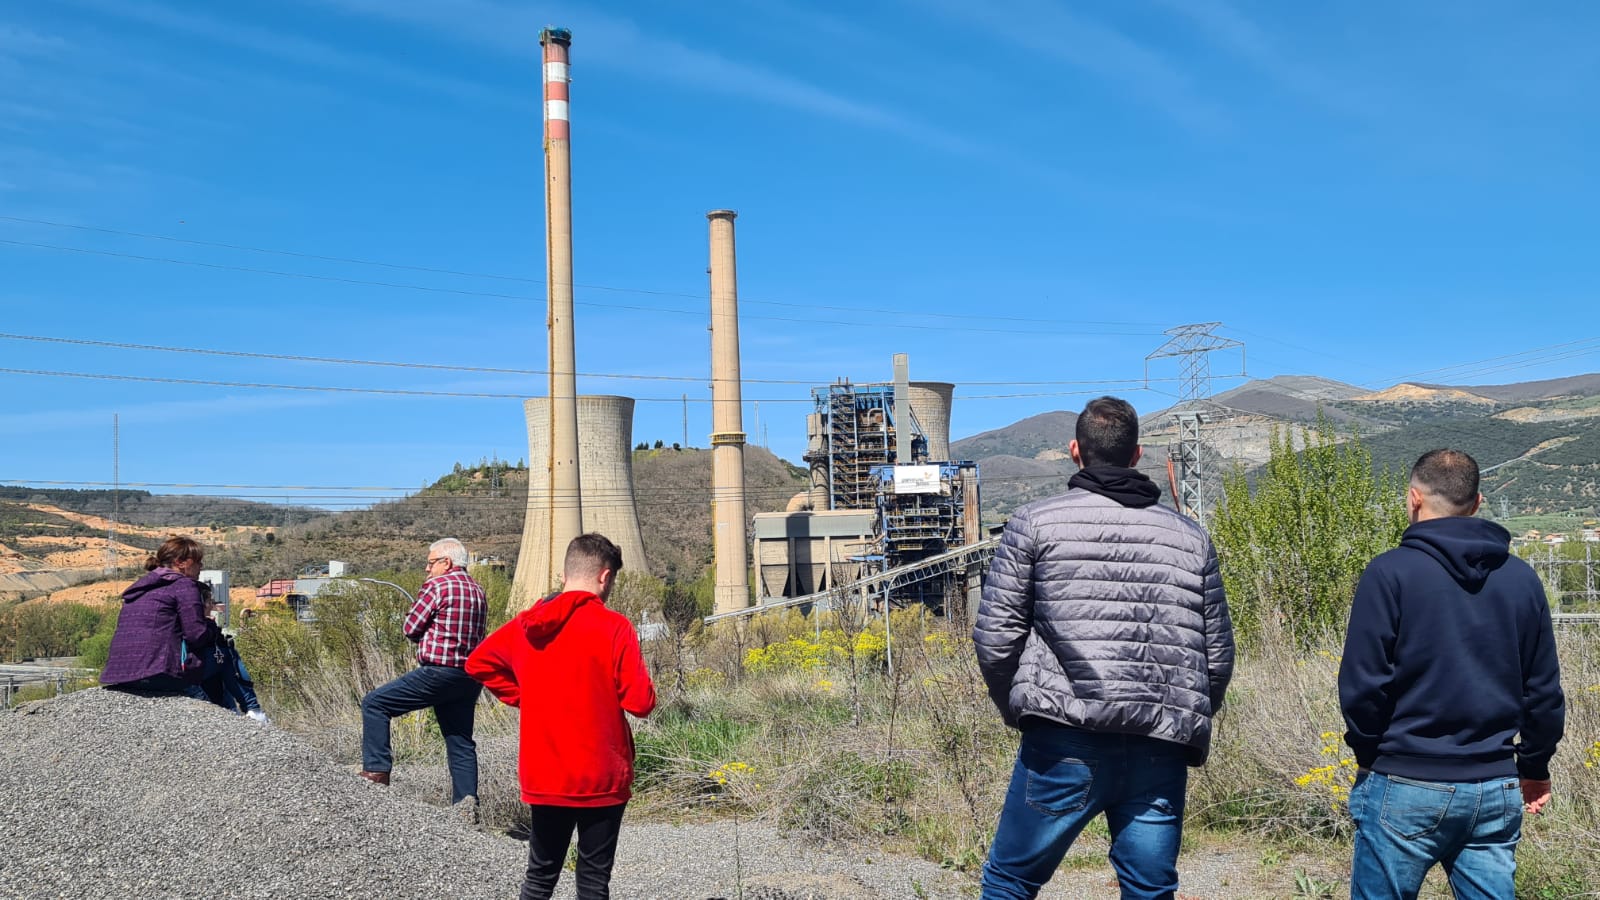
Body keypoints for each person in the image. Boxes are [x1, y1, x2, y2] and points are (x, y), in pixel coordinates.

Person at [973, 396, 1235, 900]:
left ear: (1075, 451)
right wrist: (1180, 718)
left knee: (1010, 881)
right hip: (1160, 741)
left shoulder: (1033, 524)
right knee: (1149, 888)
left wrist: (1021, 709)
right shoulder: (1191, 538)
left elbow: (996, 636)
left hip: (1063, 738)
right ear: (1136, 455)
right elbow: (1217, 655)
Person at [1339, 449, 1565, 899]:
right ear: (1478, 502)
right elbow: (1542, 691)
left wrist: (1371, 754)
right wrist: (1534, 765)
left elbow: (1363, 684)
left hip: (1403, 779)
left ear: (1413, 499)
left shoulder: (1389, 573)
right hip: (1494, 785)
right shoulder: (1521, 579)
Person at [466, 533, 656, 900]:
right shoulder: (614, 627)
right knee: (593, 882)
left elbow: (478, 662)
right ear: (604, 576)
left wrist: (524, 697)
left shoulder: (525, 625)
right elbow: (641, 702)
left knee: (539, 878)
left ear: (566, 572)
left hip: (546, 773)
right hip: (602, 776)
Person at [358, 538, 487, 815]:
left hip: (438, 673)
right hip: (469, 678)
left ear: (446, 563)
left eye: (430, 563)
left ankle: (376, 774)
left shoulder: (438, 586)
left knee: (375, 704)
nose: (427, 570)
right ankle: (467, 807)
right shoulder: (478, 590)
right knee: (460, 741)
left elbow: (411, 628)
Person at [100, 535, 214, 700]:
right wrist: (212, 628)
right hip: (158, 671)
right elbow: (196, 635)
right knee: (223, 657)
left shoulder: (140, 589)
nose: (201, 566)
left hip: (120, 674)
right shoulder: (184, 585)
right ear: (180, 563)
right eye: (197, 561)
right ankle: (250, 710)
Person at [196, 583, 269, 723]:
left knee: (220, 667)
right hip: (188, 672)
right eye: (209, 602)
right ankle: (253, 709)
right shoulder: (197, 624)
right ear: (202, 603)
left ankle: (232, 709)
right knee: (227, 654)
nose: (212, 606)